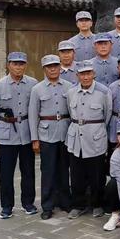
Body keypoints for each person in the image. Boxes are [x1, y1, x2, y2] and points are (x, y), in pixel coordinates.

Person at [0, 52, 38, 219]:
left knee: (28, 171)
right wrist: (2, 125)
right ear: (8, 65)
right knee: (6, 173)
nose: (18, 67)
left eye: (21, 64)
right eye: (15, 63)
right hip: (7, 134)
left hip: (26, 133)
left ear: (25, 65)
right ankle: (7, 206)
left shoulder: (32, 84)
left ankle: (28, 203)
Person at [66, 60, 112, 219]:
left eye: (88, 73)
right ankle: (78, 205)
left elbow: (107, 115)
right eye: (82, 74)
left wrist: (96, 130)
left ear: (94, 74)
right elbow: (69, 113)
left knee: (96, 174)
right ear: (77, 75)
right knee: (76, 174)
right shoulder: (71, 92)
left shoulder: (103, 92)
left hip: (95, 138)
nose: (85, 77)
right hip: (75, 138)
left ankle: (97, 204)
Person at [28, 55, 73, 220]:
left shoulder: (69, 86)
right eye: (49, 67)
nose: (53, 69)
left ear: (60, 67)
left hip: (65, 132)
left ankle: (65, 201)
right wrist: (35, 139)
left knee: (64, 169)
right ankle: (47, 205)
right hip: (46, 134)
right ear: (44, 69)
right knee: (48, 171)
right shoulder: (37, 89)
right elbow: (33, 116)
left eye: (55, 66)